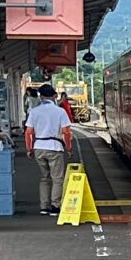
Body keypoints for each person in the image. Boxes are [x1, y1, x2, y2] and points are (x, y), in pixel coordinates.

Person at [26, 81, 73, 214]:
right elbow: (66, 132)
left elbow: (28, 132)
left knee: (44, 177)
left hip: (39, 147)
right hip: (54, 147)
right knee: (57, 178)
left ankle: (44, 207)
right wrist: (69, 148)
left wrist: (29, 149)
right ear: (54, 96)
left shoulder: (34, 112)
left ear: (41, 97)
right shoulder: (60, 111)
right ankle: (55, 206)